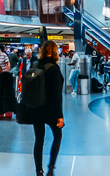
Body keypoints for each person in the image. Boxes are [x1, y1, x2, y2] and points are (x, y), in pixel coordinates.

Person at [25, 40, 64, 176]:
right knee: (58, 135)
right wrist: (60, 115)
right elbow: (56, 94)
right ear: (54, 52)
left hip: (35, 108)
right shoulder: (53, 68)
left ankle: (38, 171)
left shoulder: (34, 64)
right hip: (50, 109)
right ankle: (51, 167)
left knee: (39, 140)